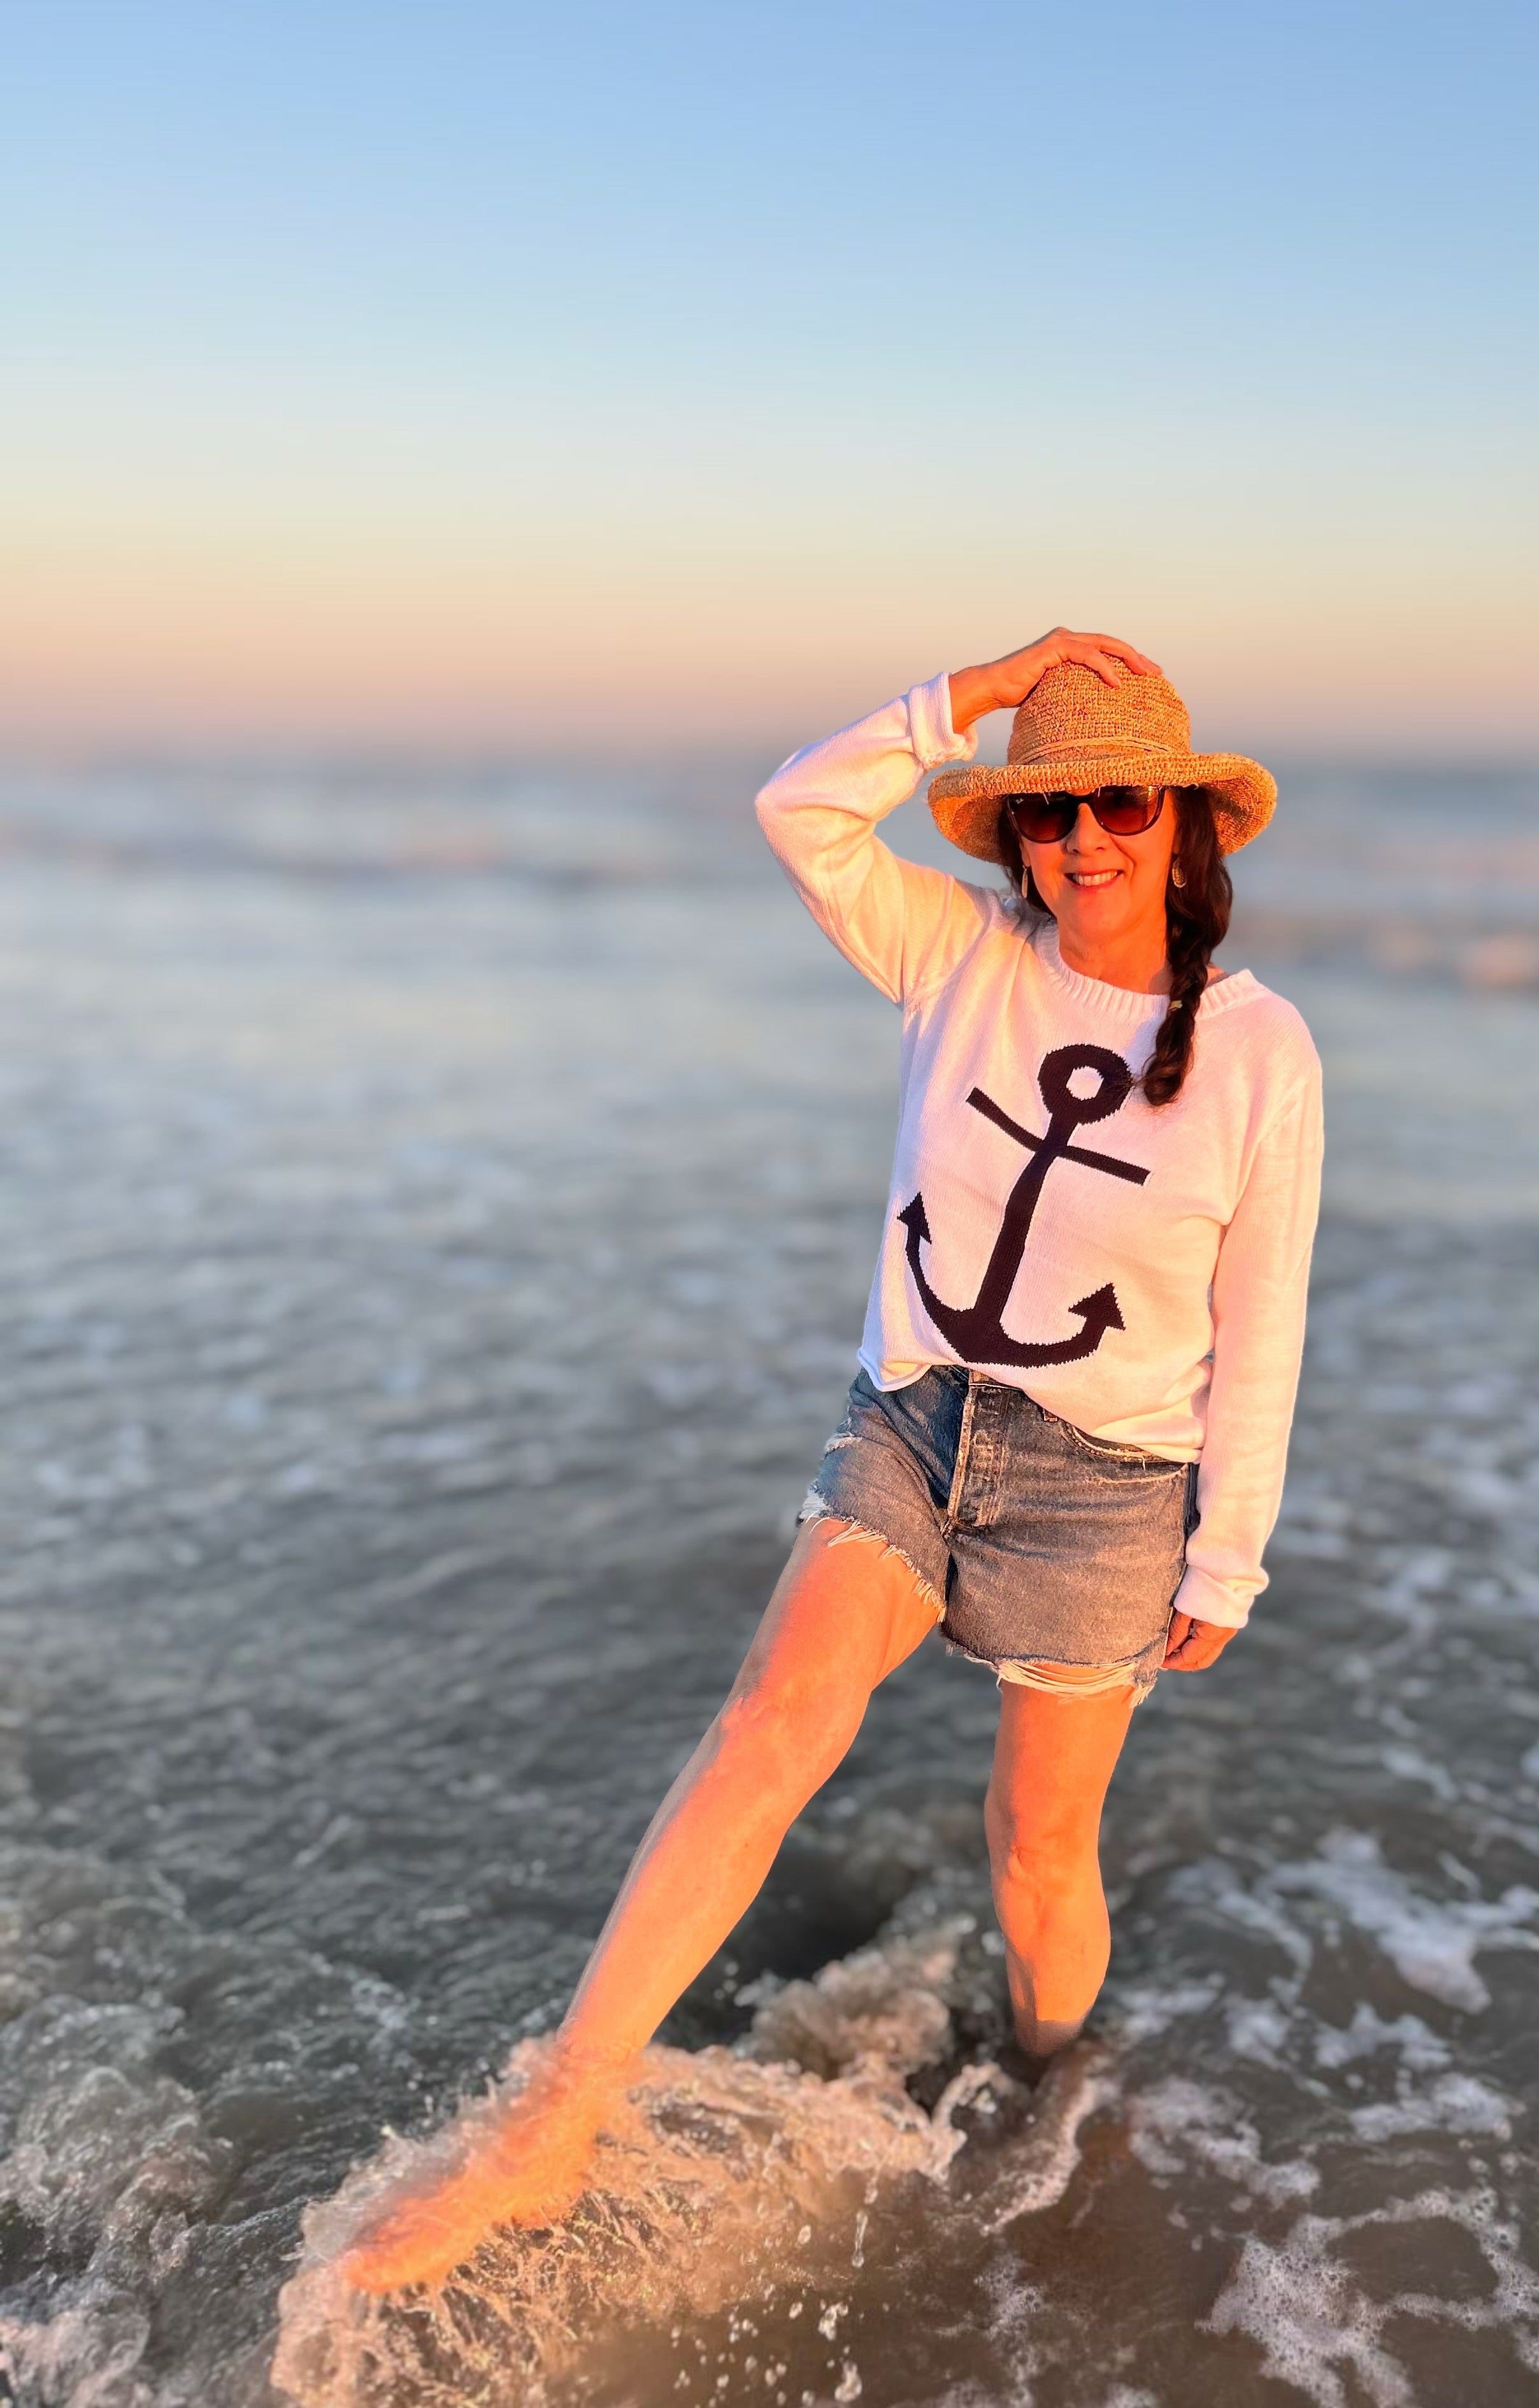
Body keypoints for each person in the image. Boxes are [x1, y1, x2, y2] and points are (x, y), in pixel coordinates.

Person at [343, 628, 1323, 2291]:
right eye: (1051, 806)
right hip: (919, 1412)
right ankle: (555, 2118)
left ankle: (1055, 2087)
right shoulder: (958, 957)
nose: (1086, 836)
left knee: (1037, 1853)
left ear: (1185, 822)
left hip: (1105, 1480)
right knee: (767, 1721)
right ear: (1017, 830)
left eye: (1121, 800)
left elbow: (1266, 1315)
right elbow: (801, 808)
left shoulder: (1260, 1050)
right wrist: (977, 692)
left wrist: (1229, 1552)